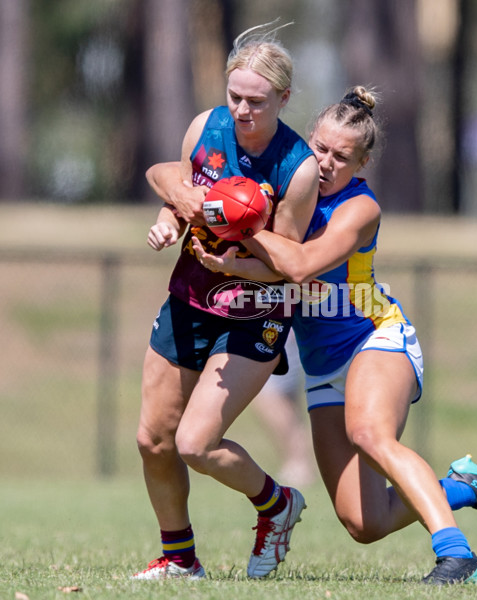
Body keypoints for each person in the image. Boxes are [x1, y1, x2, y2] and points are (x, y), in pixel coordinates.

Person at [192, 85, 477, 585]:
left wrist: (240, 224)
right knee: (364, 522)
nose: (328, 164)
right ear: (307, 142)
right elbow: (181, 186)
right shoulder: (284, 192)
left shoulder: (360, 209)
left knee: (369, 434)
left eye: (342, 157)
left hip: (375, 338)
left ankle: (460, 558)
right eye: (320, 150)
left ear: (362, 164)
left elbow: (303, 264)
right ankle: (462, 486)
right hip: (322, 365)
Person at [133, 21, 319, 580]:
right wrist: (170, 221)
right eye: (234, 96)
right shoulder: (205, 127)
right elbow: (178, 189)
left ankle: (277, 504)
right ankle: (179, 559)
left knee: (195, 442)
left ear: (283, 99)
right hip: (189, 299)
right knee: (153, 439)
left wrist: (238, 258)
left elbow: (286, 265)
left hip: (252, 312)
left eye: (257, 101)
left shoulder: (298, 167)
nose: (242, 110)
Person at [251, 330, 316, 488]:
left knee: (266, 395)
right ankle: (299, 463)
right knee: (286, 400)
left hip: (276, 331)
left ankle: (298, 463)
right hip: (284, 329)